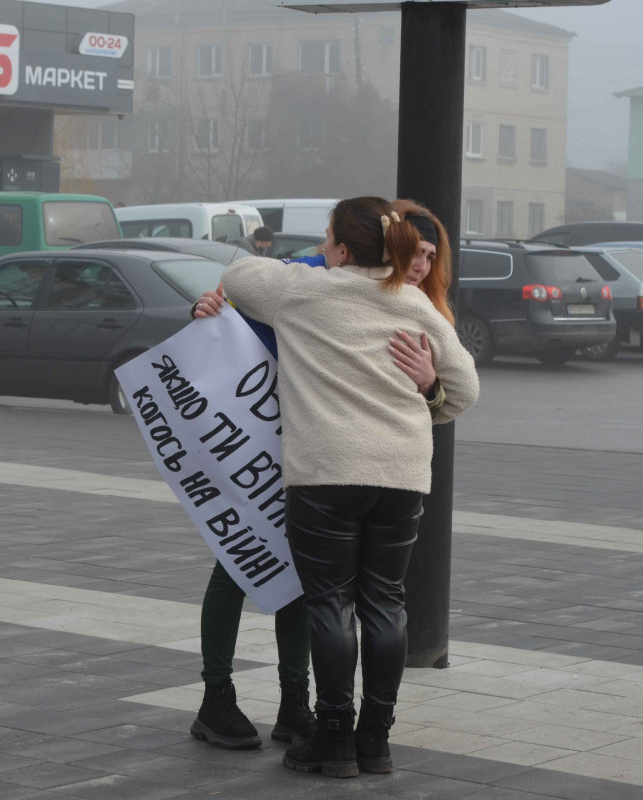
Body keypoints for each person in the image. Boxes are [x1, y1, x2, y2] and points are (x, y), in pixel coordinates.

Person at [221, 197, 478, 778]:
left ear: (338, 247)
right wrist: (430, 388)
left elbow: (236, 273)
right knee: (385, 601)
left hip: (326, 474)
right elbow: (464, 393)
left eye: (329, 239)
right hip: (402, 475)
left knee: (329, 602)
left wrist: (322, 255)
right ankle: (376, 741)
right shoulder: (413, 302)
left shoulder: (302, 290)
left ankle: (332, 738)